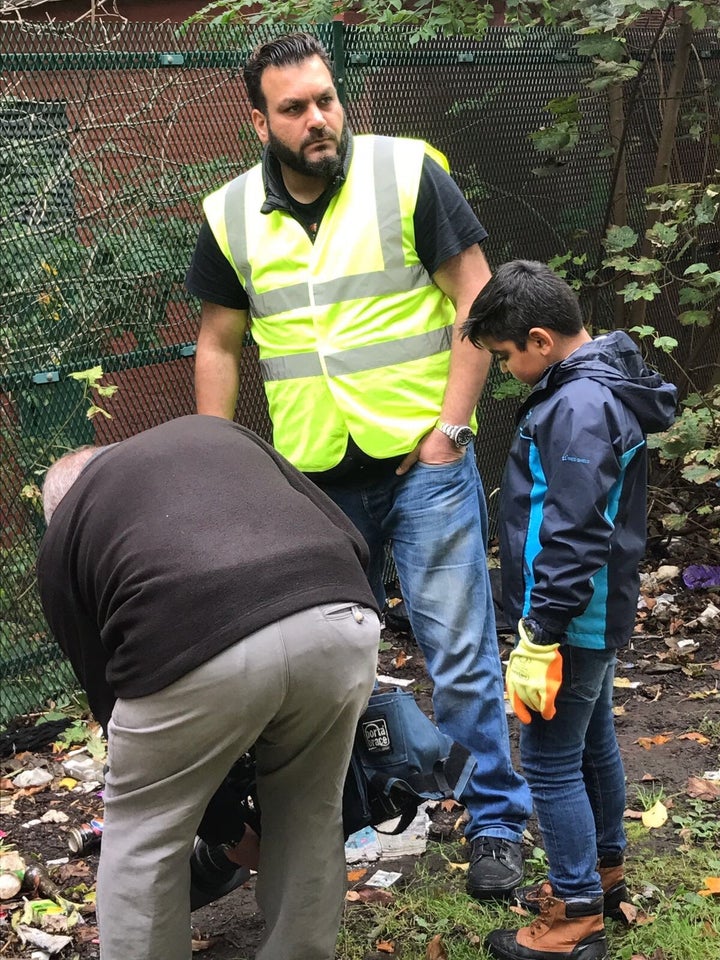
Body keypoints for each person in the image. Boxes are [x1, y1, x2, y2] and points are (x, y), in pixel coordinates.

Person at [185, 30, 533, 900]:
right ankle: (350, 817)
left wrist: (451, 428)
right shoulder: (231, 214)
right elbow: (219, 344)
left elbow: (476, 299)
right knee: (327, 666)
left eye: (326, 99)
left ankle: (494, 819)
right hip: (313, 479)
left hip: (424, 460)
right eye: (295, 108)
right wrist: (215, 465)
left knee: (457, 649)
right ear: (257, 118)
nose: (318, 120)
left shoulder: (406, 173)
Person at [36, 414, 380, 960]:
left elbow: (113, 703)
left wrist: (223, 828)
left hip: (188, 641)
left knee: (145, 835)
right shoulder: (214, 434)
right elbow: (347, 533)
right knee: (310, 806)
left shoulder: (65, 536)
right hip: (340, 613)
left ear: (60, 511)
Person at [461, 261, 677, 960]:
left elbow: (576, 527)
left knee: (550, 762)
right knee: (592, 745)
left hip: (572, 617)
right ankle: (604, 875)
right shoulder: (601, 384)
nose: (504, 371)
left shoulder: (578, 408)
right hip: (595, 608)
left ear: (540, 339)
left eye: (504, 357)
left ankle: (574, 911)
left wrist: (540, 633)